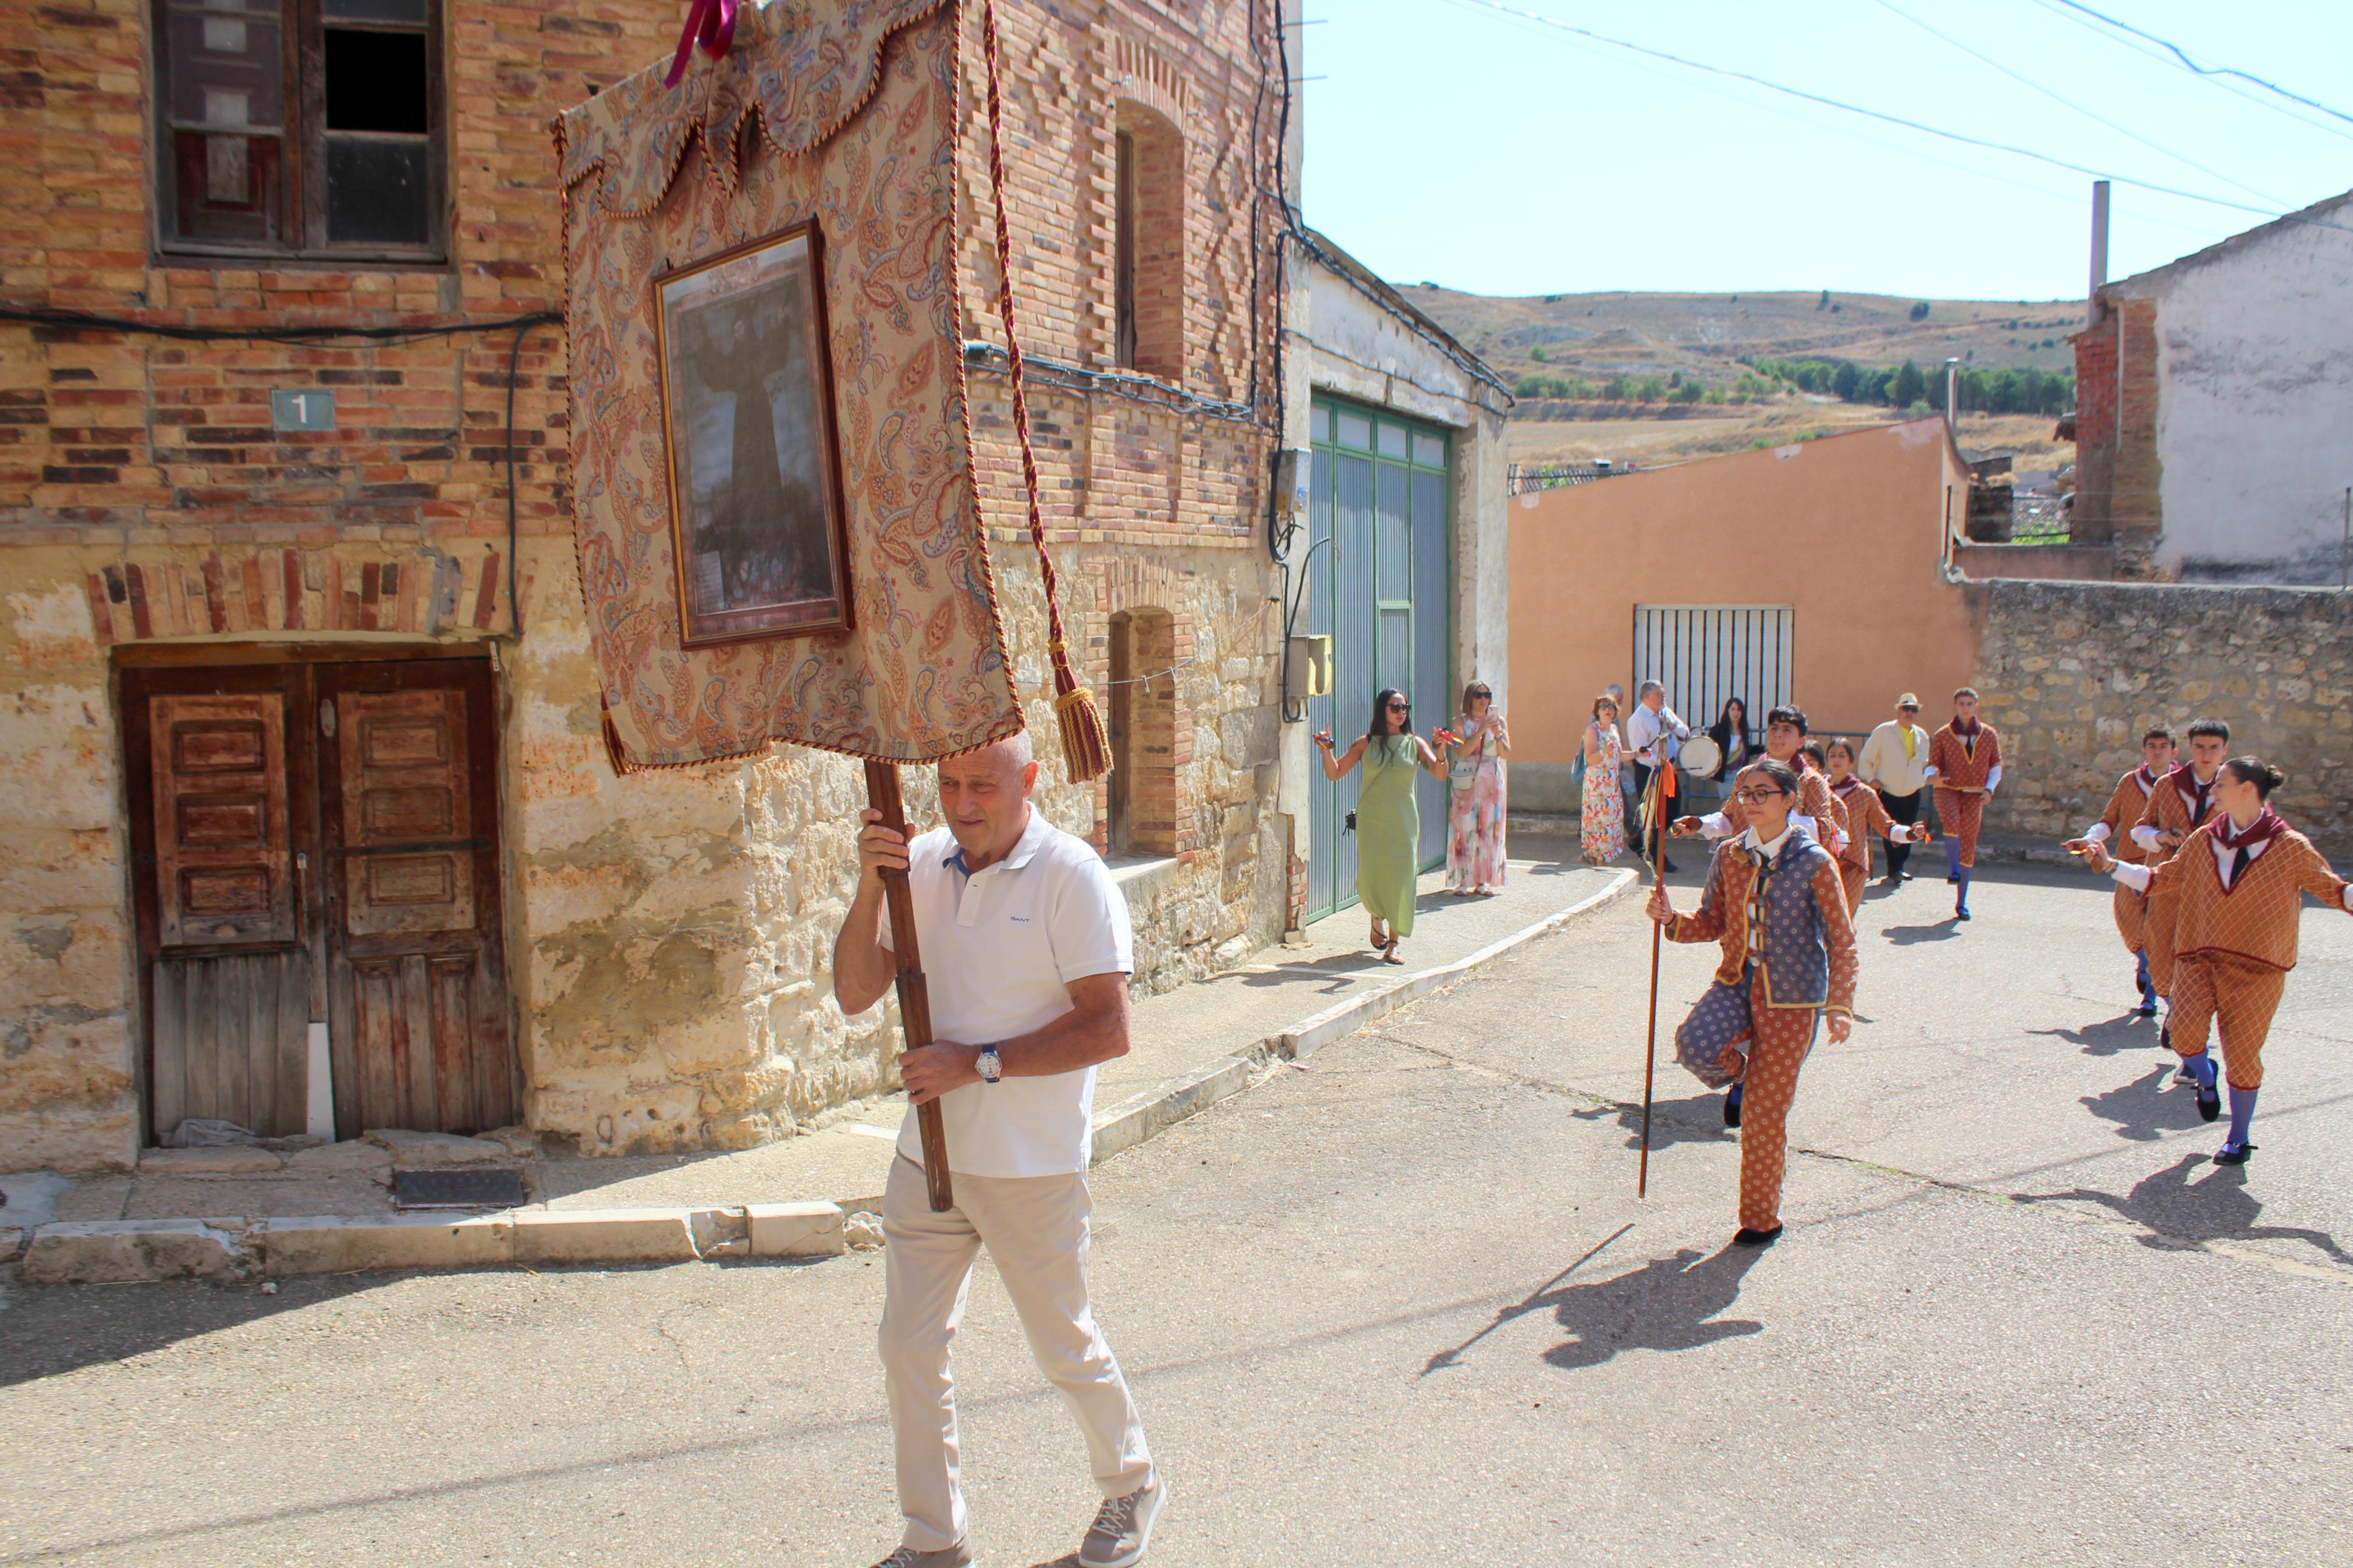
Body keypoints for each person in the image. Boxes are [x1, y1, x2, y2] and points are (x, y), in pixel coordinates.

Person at [832, 734, 1162, 1568]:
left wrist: (975, 1063)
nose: (961, 800)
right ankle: (934, 1538)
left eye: (982, 783)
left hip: (1031, 1164)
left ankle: (1130, 1481)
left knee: (1061, 1341)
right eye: (947, 782)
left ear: (1028, 779)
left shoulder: (1071, 874)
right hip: (926, 1155)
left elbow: (1108, 1026)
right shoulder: (919, 863)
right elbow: (852, 992)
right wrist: (869, 885)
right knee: (908, 1346)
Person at [2084, 756, 2352, 1165]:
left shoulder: (2290, 846)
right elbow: (2161, 878)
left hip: (2258, 969)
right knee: (2183, 1034)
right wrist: (2110, 866)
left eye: (2221, 784)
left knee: (2243, 1055)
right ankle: (2204, 1075)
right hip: (2199, 958)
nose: (2212, 790)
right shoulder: (2204, 839)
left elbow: (2335, 891)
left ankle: (2238, 1137)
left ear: (2246, 789)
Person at [1646, 759, 1858, 1246]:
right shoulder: (1728, 855)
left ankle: (1761, 1219)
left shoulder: (1815, 862)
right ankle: (1744, 1077)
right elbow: (1710, 920)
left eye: (1763, 792)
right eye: (1744, 792)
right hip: (1737, 983)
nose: (1751, 800)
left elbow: (1842, 941)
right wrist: (1669, 918)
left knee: (1764, 1117)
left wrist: (1839, 1004)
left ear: (1790, 801)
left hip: (1793, 1001)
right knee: (1693, 1043)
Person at [1315, 687, 1447, 964]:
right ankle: (1376, 916)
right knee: (1372, 875)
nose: (1402, 713)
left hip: (1403, 822)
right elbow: (1335, 773)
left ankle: (1395, 943)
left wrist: (1441, 749)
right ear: (1382, 710)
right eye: (1395, 707)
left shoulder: (1415, 744)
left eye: (1405, 708)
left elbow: (1439, 773)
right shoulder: (1365, 743)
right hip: (1372, 821)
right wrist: (1326, 751)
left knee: (1402, 879)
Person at [2128, 717, 2230, 1052]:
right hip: (2167, 885)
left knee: (2200, 963)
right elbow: (2139, 831)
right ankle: (2174, 1009)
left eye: (2214, 748)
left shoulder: (2235, 789)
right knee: (2160, 957)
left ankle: (2191, 1039)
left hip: (2211, 892)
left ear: (2224, 751)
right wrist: (2161, 837)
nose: (2206, 754)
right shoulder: (2168, 786)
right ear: (2189, 748)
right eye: (2200, 747)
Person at [2062, 725, 2177, 1016]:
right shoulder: (2130, 782)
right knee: (2130, 927)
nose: (2158, 751)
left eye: (2164, 746)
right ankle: (2145, 964)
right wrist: (2089, 840)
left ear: (2174, 751)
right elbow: (2109, 820)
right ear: (2144, 750)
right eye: (2152, 745)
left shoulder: (2182, 786)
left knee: (2158, 933)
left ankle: (2151, 998)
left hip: (2166, 871)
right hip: (2128, 865)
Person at [1671, 704, 1848, 859]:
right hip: (1745, 865)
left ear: (1801, 741)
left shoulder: (1811, 781)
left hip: (1791, 872)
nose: (1778, 735)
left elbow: (1823, 831)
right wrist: (1702, 824)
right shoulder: (1746, 775)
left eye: (1787, 730)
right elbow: (1731, 818)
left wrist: (1779, 816)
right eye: (1774, 728)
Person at [1824, 737, 1929, 913]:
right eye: (1832, 755)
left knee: (1843, 918)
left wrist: (1910, 834)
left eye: (1842, 756)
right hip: (1823, 863)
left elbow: (1886, 826)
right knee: (1824, 920)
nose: (1837, 760)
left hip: (1853, 865)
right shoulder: (1819, 789)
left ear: (1851, 762)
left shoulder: (1864, 793)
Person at [1924, 687, 2001, 922]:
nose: (1965, 708)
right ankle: (1953, 869)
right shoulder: (1943, 734)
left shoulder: (1989, 735)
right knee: (1950, 818)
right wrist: (1932, 778)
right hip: (1948, 787)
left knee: (1969, 841)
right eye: (1961, 704)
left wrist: (1990, 789)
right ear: (1956, 706)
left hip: (1975, 793)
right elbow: (1932, 764)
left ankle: (1961, 903)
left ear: (1976, 706)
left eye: (1969, 704)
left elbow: (1996, 765)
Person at [1443, 681, 1510, 896]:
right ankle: (1463, 880)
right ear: (1470, 698)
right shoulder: (1459, 722)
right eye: (1479, 695)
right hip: (1467, 781)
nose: (1484, 700)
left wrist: (1498, 733)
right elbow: (1462, 751)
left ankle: (1483, 881)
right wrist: (1481, 730)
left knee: (1488, 830)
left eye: (1487, 695)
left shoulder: (1499, 721)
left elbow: (1506, 753)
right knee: (1464, 829)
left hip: (1492, 782)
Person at [1858, 694, 1932, 886]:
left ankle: (1900, 867)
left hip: (1911, 792)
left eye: (1913, 710)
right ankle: (1894, 869)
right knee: (1891, 831)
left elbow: (1924, 764)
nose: (1909, 713)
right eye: (1905, 709)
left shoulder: (1922, 736)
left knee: (1909, 830)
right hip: (1887, 791)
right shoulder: (1884, 732)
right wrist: (1871, 779)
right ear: (1898, 711)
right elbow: (1866, 758)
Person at [1624, 681, 1688, 871]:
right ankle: (1657, 855)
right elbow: (1641, 751)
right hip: (1650, 772)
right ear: (1648, 697)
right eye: (1660, 693)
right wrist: (1660, 761)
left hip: (1669, 770)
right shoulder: (1638, 719)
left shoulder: (1665, 712)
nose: (1663, 697)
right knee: (1655, 816)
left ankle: (1639, 840)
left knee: (1673, 809)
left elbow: (1684, 732)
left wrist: (1672, 724)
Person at [1580, 693, 1627, 866]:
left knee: (1611, 826)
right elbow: (1590, 758)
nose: (1607, 710)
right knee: (1602, 827)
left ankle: (1594, 857)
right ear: (1597, 712)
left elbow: (1619, 756)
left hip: (1612, 787)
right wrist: (1604, 752)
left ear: (1615, 711)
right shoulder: (1593, 730)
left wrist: (1638, 754)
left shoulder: (1614, 730)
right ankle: (1601, 864)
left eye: (1611, 707)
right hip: (1598, 788)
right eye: (1603, 707)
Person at [1706, 697, 1755, 784]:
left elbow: (1746, 749)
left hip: (1741, 772)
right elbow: (1710, 749)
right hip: (1724, 773)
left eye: (1739, 710)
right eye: (1733, 709)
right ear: (1727, 711)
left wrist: (1763, 748)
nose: (1736, 713)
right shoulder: (1718, 730)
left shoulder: (1744, 730)